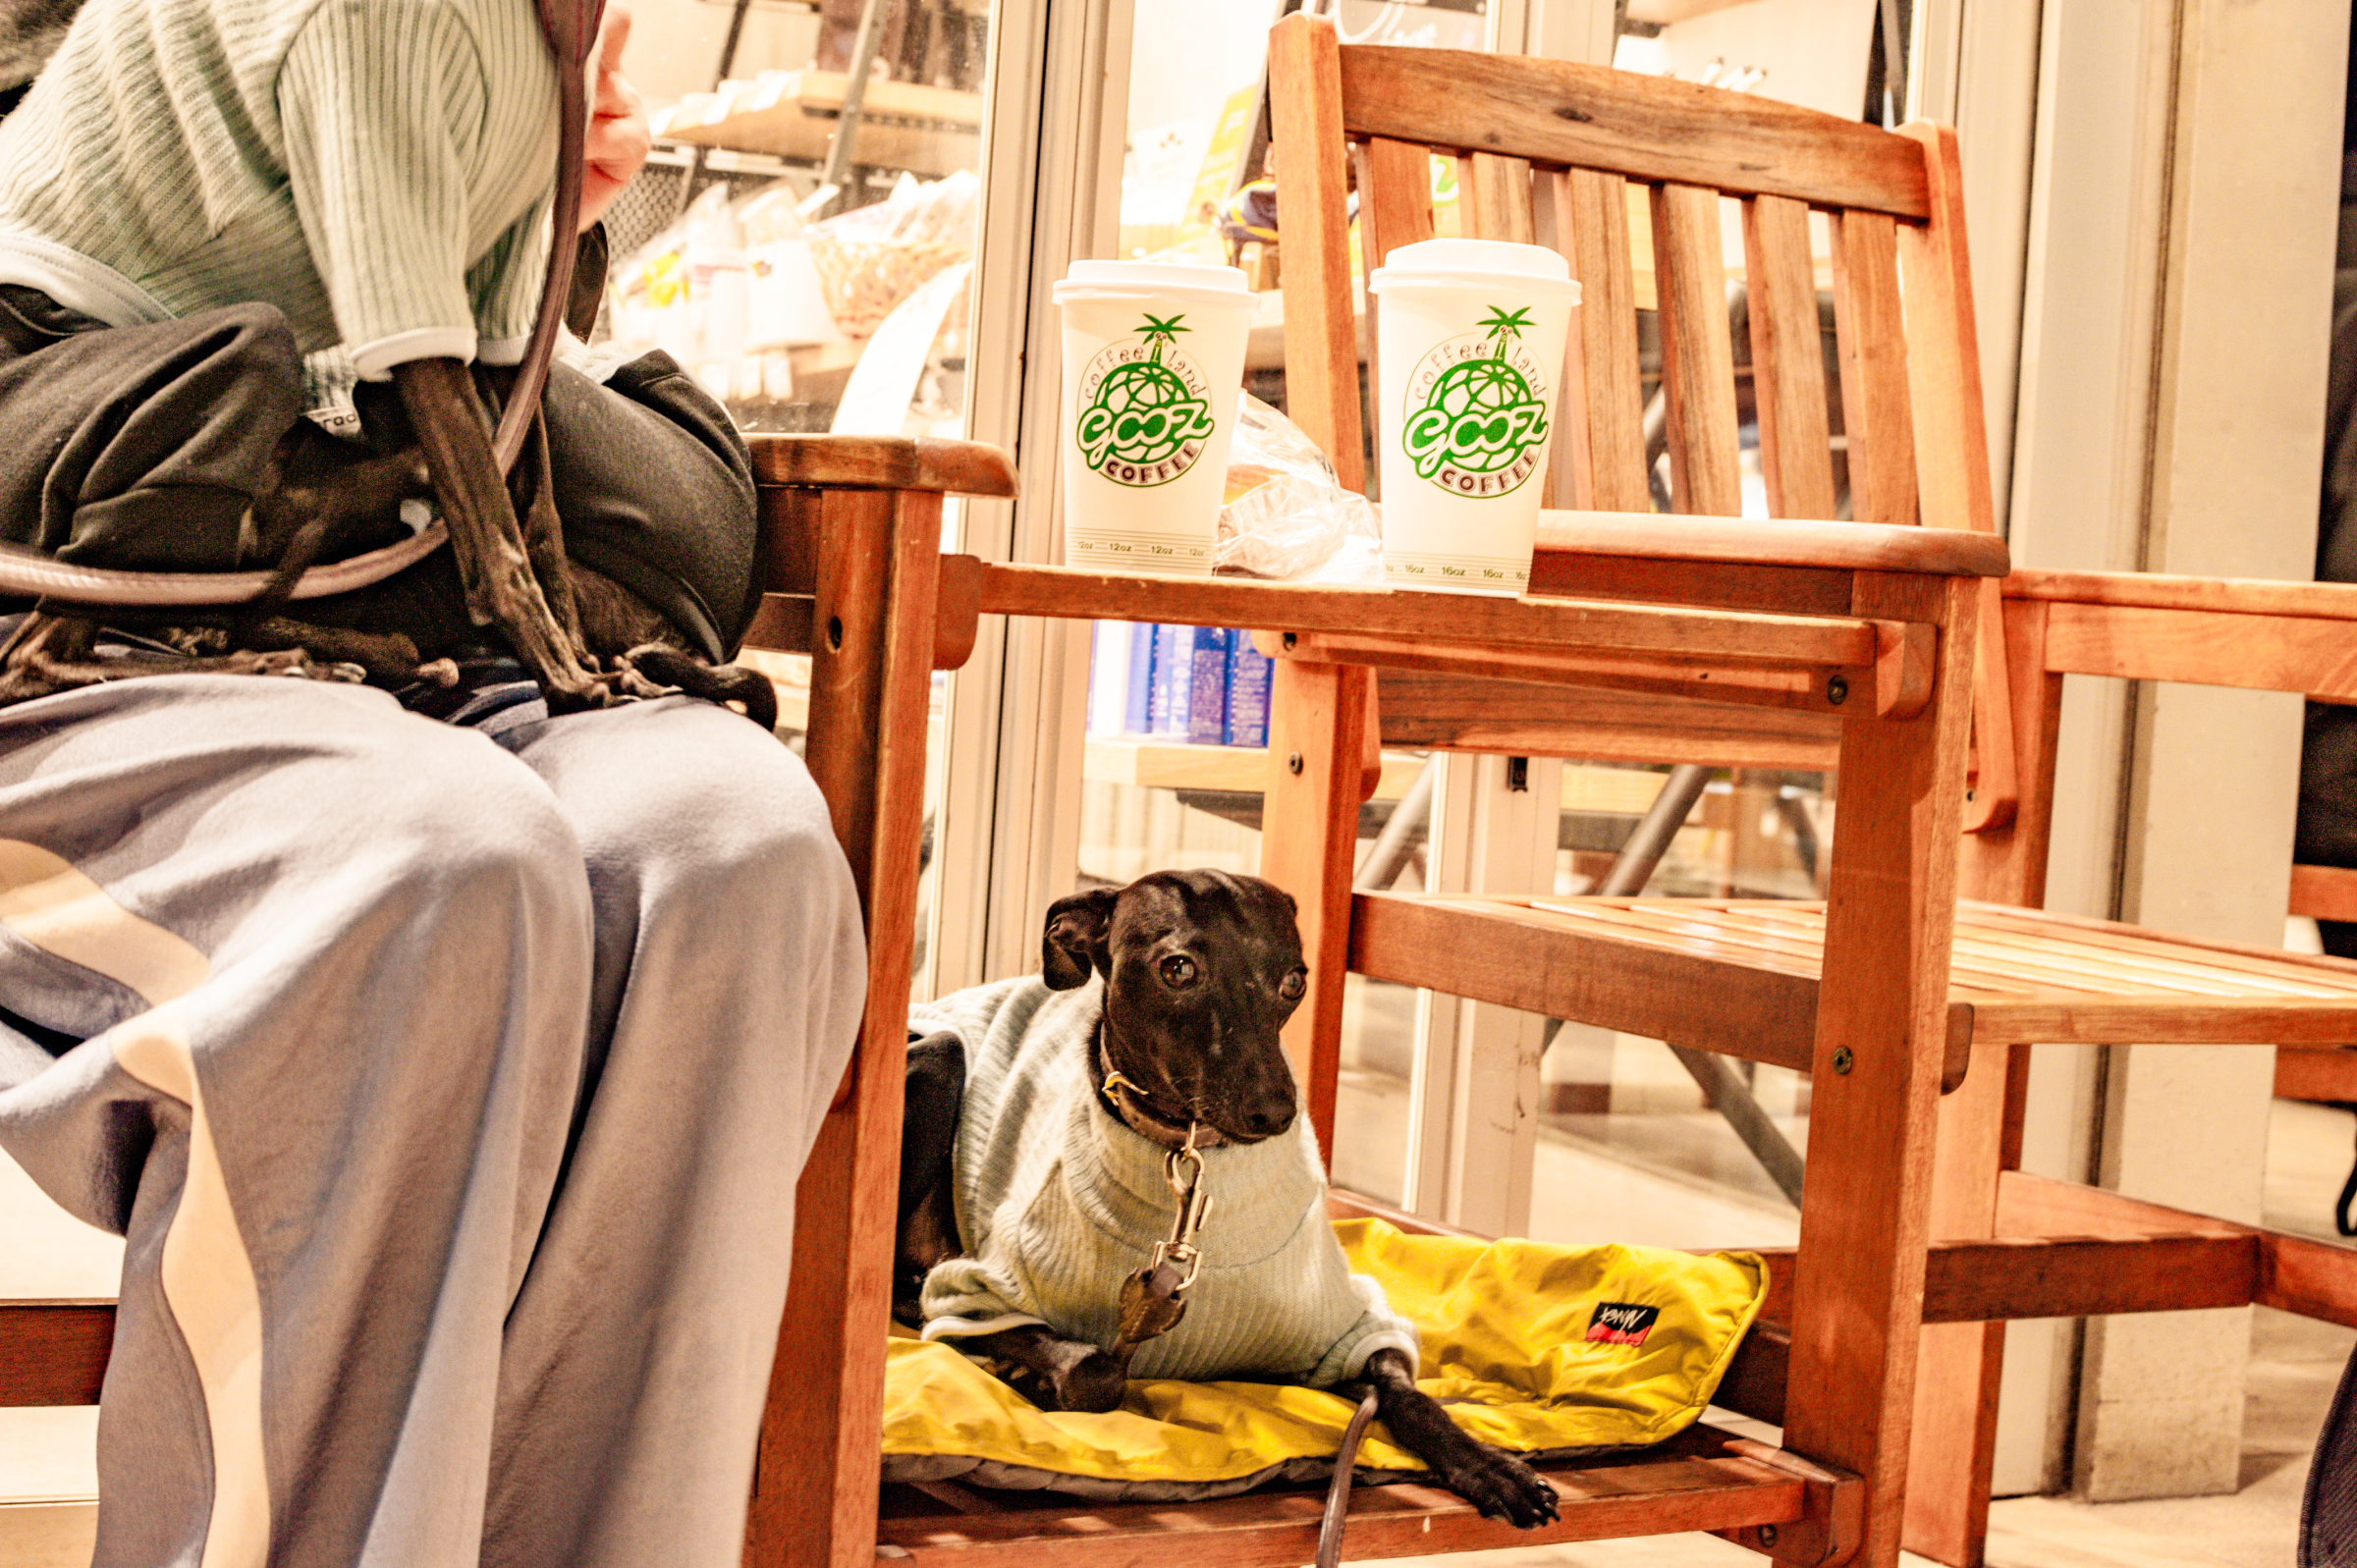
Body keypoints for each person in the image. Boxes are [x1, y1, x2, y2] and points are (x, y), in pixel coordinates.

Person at [0, 2, 866, 1565]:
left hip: (407, 605)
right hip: (77, 609)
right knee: (433, 868)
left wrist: (533, 185)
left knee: (730, 853)